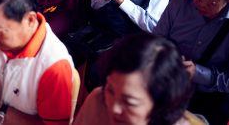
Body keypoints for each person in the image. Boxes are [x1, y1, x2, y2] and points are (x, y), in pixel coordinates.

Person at [154, 0, 229, 125]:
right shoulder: (180, 2)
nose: (201, 3)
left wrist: (199, 74)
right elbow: (157, 40)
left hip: (210, 101)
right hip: (170, 89)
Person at [74, 33, 206, 125]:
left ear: (161, 104)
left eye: (129, 102)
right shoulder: (97, 100)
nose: (114, 107)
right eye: (110, 90)